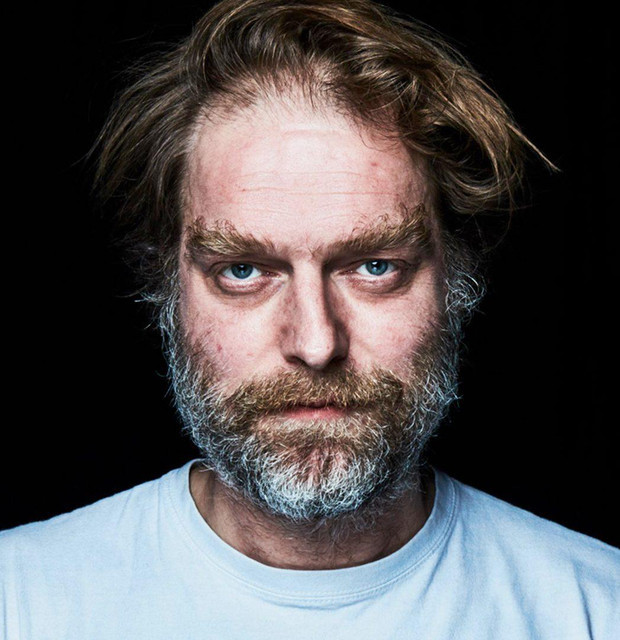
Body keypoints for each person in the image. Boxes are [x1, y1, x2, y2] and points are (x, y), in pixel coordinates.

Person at [1, 0, 617, 638]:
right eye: (244, 270)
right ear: (167, 290)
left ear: (456, 282)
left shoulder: (596, 610)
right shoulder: (21, 602)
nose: (316, 344)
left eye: (375, 266)